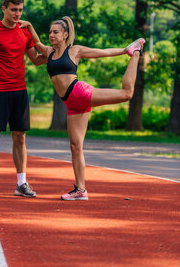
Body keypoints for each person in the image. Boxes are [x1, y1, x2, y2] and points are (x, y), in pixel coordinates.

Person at [19, 17, 145, 201]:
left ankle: (135, 54)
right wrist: (29, 25)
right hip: (71, 104)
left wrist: (124, 51)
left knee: (126, 94)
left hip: (80, 93)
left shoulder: (75, 51)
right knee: (75, 146)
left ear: (65, 34)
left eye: (55, 32)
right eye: (50, 32)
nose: (51, 35)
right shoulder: (49, 52)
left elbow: (103, 52)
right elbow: (37, 42)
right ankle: (80, 190)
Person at [0, 0, 47, 198]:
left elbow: (36, 60)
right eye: (13, 9)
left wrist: (57, 53)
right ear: (4, 9)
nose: (17, 14)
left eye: (20, 10)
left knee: (20, 138)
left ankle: (21, 183)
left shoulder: (24, 32)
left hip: (20, 91)